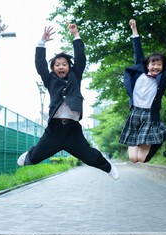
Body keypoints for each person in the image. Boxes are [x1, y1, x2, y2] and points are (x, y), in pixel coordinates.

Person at [17, 23, 119, 180]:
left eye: (64, 64)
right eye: (57, 65)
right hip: (55, 129)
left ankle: (108, 167)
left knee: (90, 158)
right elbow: (40, 65)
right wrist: (41, 43)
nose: (61, 67)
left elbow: (80, 58)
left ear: (69, 67)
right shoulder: (49, 80)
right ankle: (29, 154)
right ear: (53, 69)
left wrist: (76, 35)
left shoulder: (75, 76)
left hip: (72, 130)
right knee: (34, 158)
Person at [119, 19, 166, 163]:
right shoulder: (139, 72)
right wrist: (134, 29)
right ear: (147, 65)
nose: (156, 67)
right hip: (134, 113)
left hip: (149, 115)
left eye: (159, 64)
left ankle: (162, 134)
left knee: (142, 159)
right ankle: (162, 134)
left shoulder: (162, 80)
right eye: (153, 63)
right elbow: (138, 52)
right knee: (133, 159)